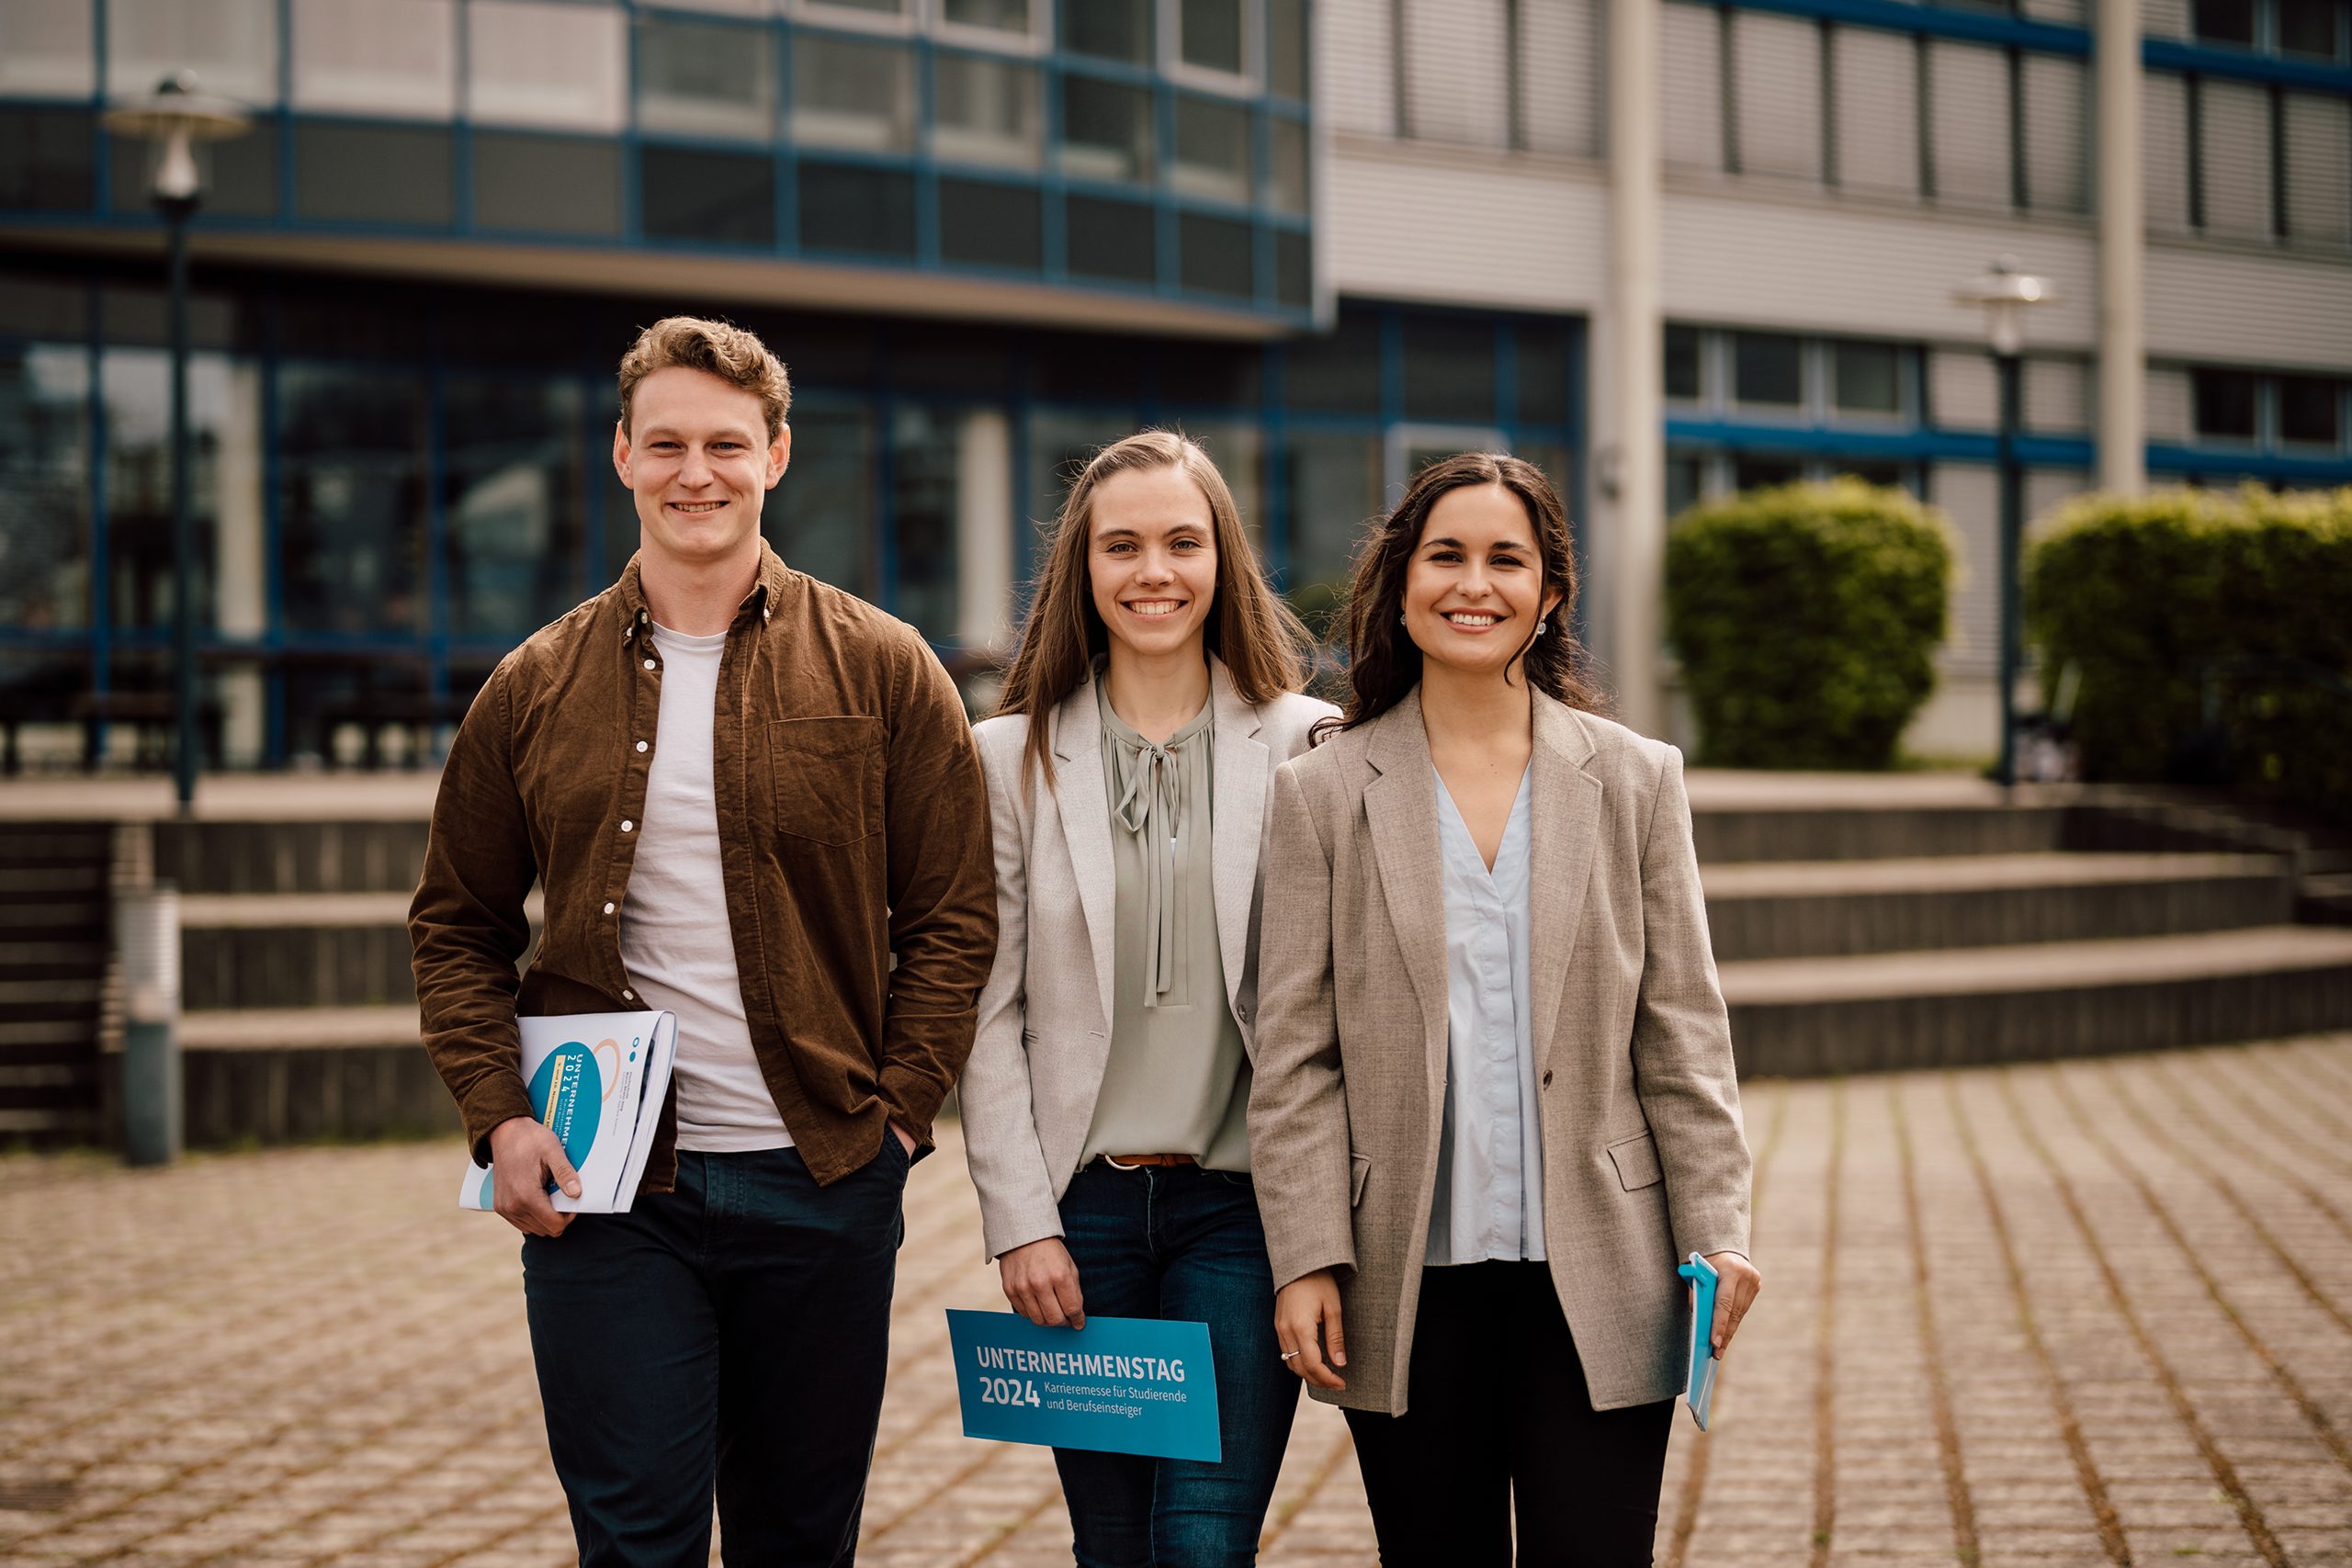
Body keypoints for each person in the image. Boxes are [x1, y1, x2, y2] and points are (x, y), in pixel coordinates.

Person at [409, 315, 997, 1567]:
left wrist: (898, 1112)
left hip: (823, 1178)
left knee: (798, 1536)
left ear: (775, 455)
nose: (697, 472)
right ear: (621, 454)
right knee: (637, 1538)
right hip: (611, 1191)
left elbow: (953, 917)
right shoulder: (531, 683)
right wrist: (499, 1113)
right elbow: (456, 921)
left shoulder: (887, 668)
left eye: (726, 443)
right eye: (666, 441)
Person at [1247, 453, 1760, 1565]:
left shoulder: (1634, 779)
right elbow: (1292, 1057)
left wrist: (1718, 1232)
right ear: (1397, 582)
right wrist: (1303, 1255)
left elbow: (1682, 1033)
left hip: (1608, 1270)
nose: (1471, 584)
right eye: (1444, 556)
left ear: (1551, 594)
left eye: (1505, 560)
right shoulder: (1321, 792)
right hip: (1403, 1279)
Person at [959, 431, 1335, 1566]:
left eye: (1183, 541)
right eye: (1120, 545)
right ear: (1082, 567)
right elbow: (987, 1013)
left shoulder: (1308, 747)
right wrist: (1019, 1222)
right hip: (1085, 1220)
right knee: (1112, 1551)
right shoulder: (1007, 758)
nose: (1153, 571)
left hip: (1244, 1215)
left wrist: (1323, 1234)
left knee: (1205, 1547)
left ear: (1226, 560)